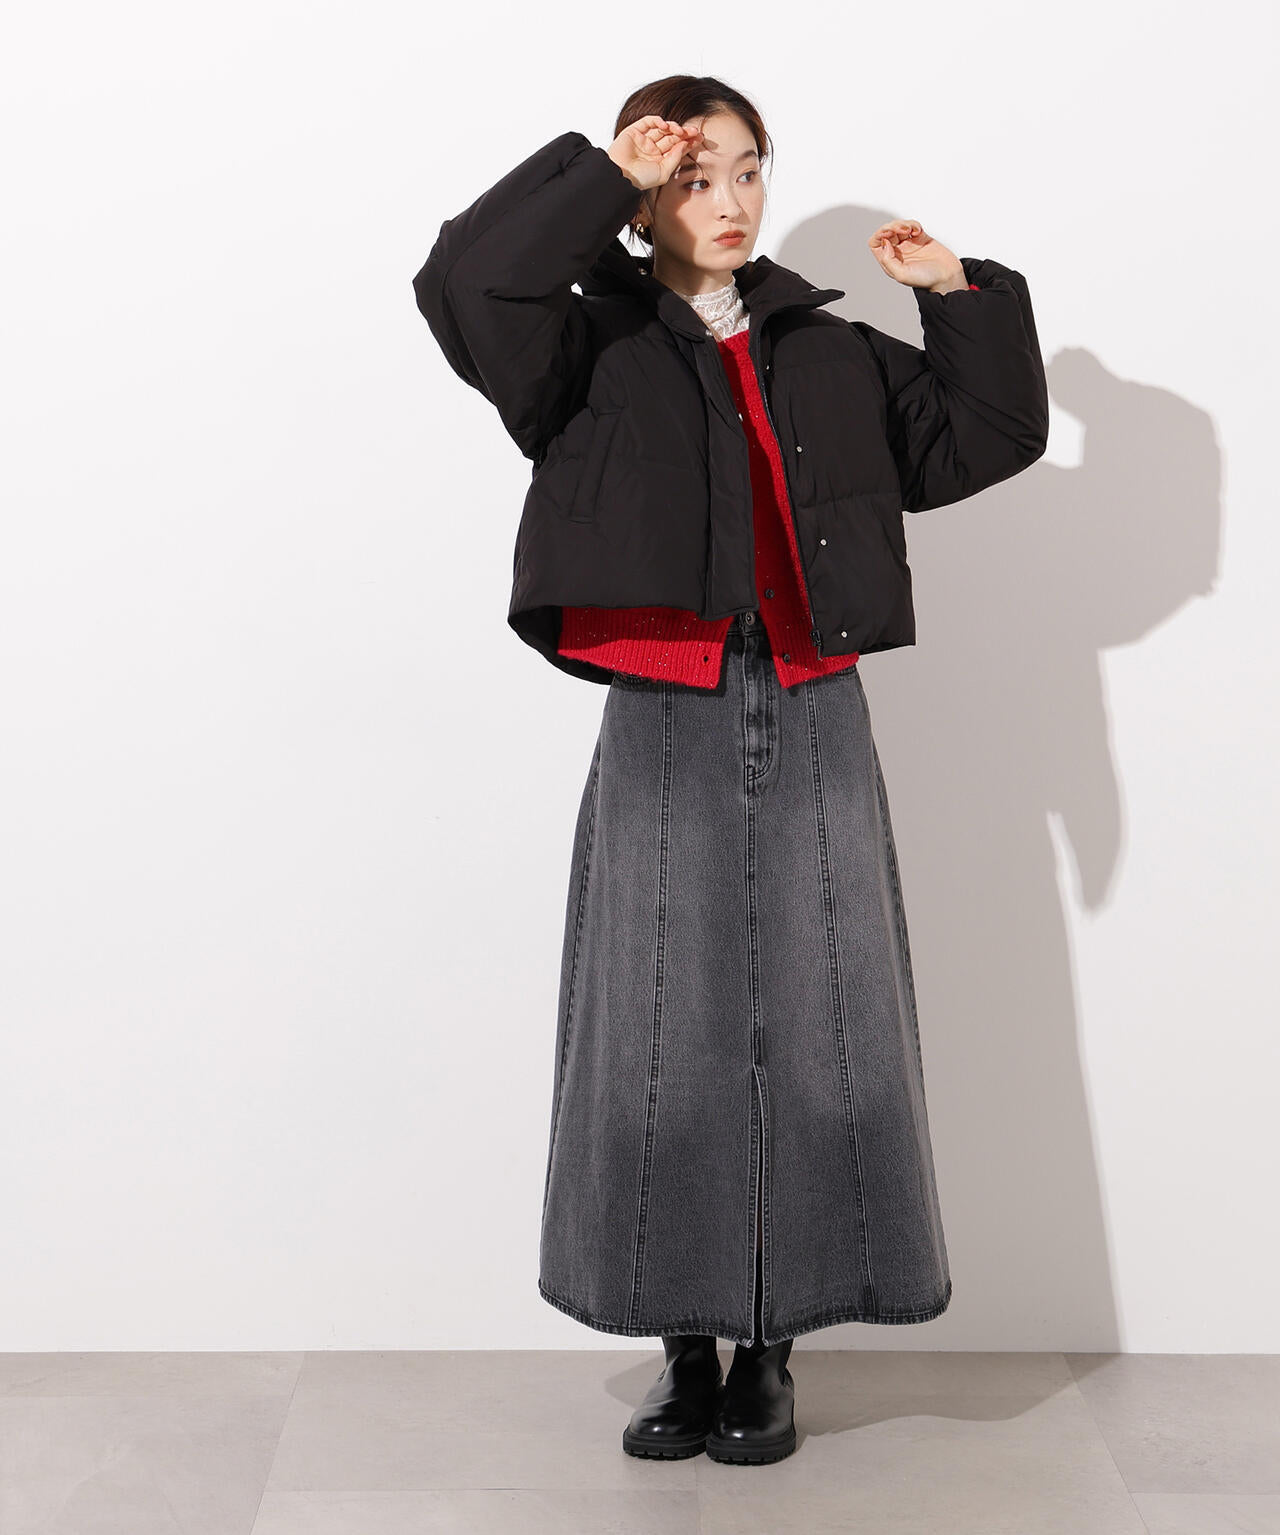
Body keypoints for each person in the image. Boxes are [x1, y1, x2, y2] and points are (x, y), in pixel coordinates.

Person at [412, 75, 1048, 1467]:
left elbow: (990, 435)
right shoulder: (581, 342)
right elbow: (463, 284)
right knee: (658, 1030)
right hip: (666, 695)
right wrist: (599, 171)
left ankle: (772, 1351)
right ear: (648, 198)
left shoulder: (830, 347)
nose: (731, 200)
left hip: (814, 694)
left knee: (825, 1025)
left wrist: (958, 293)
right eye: (695, 176)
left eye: (748, 170)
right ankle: (684, 1347)